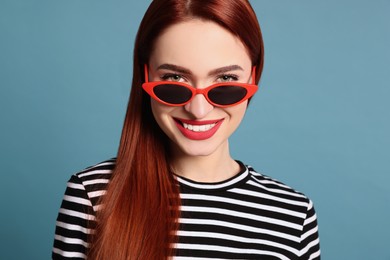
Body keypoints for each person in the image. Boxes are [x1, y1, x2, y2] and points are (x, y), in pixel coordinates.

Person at [52, 0, 321, 259]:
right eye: (174, 79)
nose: (198, 109)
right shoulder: (92, 195)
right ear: (145, 76)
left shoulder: (293, 216)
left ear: (254, 76)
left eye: (226, 80)